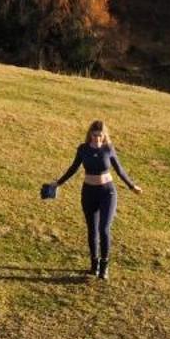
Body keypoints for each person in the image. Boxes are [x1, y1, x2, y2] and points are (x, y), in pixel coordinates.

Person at [45, 119, 143, 279]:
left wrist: (132, 186)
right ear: (90, 134)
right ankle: (94, 265)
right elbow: (73, 168)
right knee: (92, 230)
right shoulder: (83, 149)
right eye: (94, 135)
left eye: (100, 135)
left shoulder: (108, 149)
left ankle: (104, 266)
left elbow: (120, 170)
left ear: (104, 136)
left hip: (107, 193)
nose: (97, 138)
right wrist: (58, 183)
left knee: (103, 229)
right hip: (89, 193)